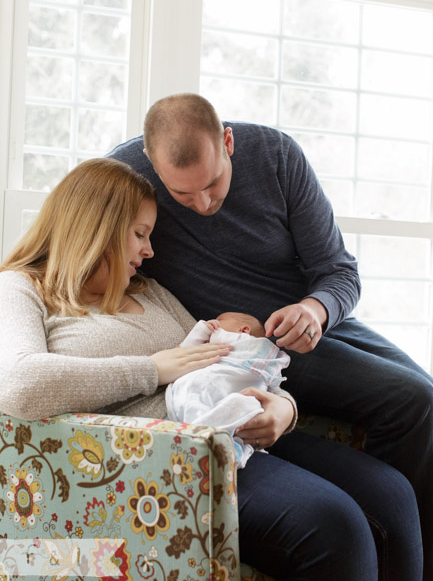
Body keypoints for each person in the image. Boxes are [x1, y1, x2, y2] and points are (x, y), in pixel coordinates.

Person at [107, 92, 431, 581]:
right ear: (151, 165)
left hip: (309, 321)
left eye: (213, 184)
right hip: (243, 348)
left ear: (229, 142)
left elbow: (339, 272)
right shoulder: (125, 174)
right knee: (413, 399)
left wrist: (314, 309)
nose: (204, 203)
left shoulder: (277, 156)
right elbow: (79, 239)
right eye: (183, 195)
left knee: (423, 397)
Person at [0, 158, 234, 421]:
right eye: (139, 233)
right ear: (97, 228)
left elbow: (217, 352)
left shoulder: (147, 290)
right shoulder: (20, 287)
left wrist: (281, 406)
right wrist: (152, 370)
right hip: (151, 455)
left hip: (230, 434)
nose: (150, 251)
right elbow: (18, 385)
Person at [166, 312, 294, 468]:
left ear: (244, 331)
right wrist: (201, 330)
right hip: (214, 387)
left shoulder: (246, 344)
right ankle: (216, 442)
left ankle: (209, 440)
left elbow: (272, 386)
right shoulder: (234, 343)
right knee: (199, 398)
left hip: (238, 387)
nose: (212, 323)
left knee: (241, 405)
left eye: (220, 321)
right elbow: (181, 352)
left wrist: (287, 407)